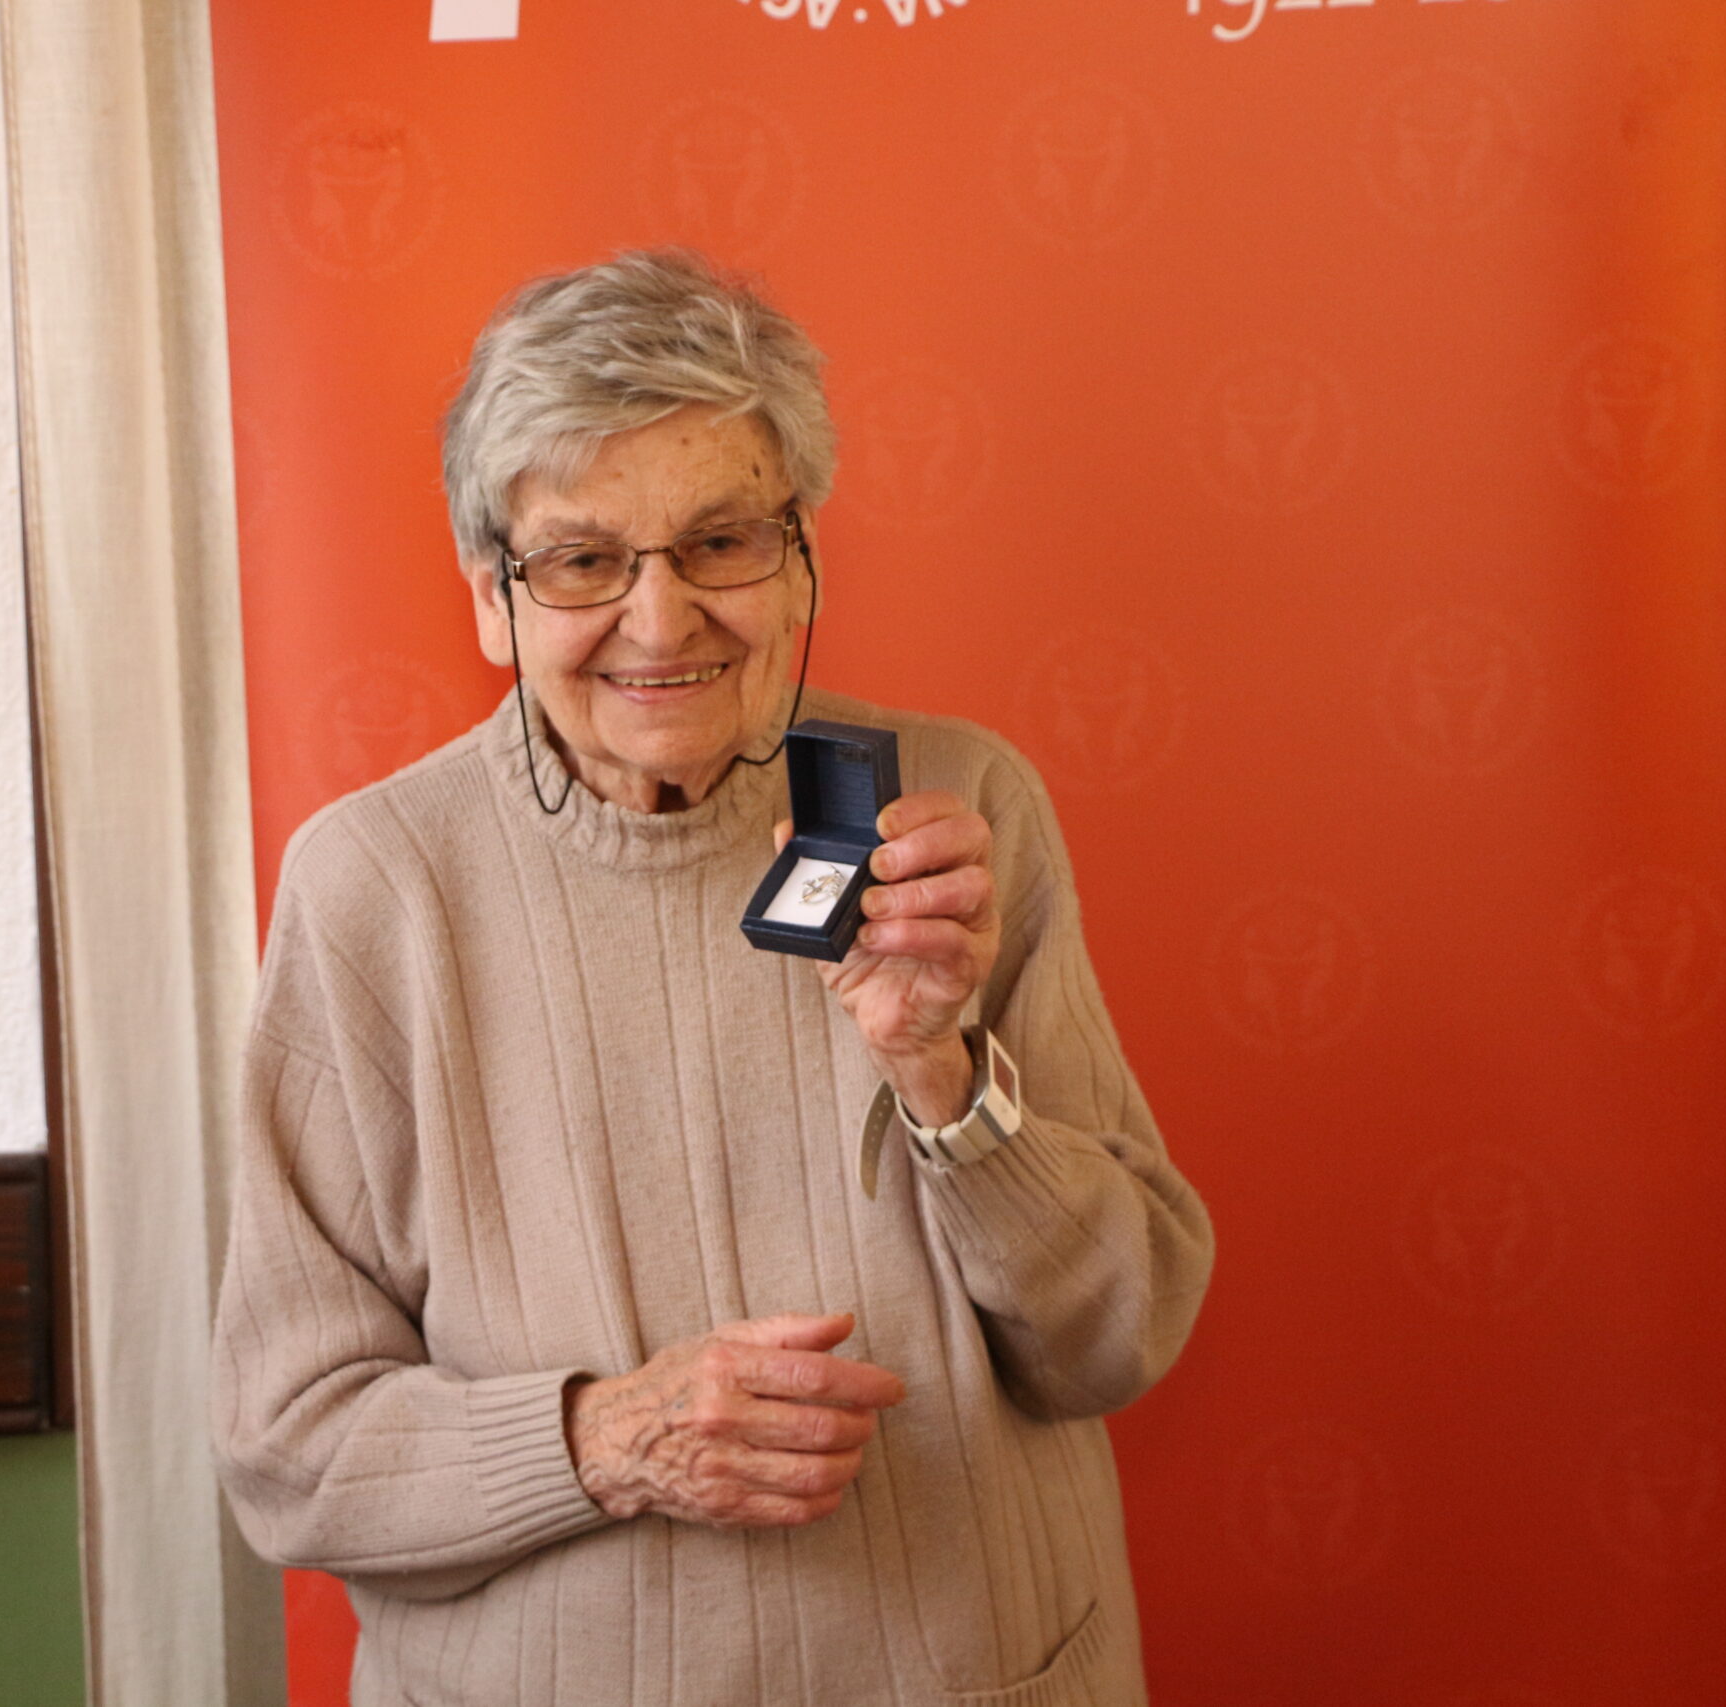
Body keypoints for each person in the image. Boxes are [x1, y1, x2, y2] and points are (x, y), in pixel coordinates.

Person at [212, 250, 1213, 1706]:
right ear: (492, 596)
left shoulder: (956, 809)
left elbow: (1118, 1339)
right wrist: (609, 1438)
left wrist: (944, 1083)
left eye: (720, 541)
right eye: (582, 560)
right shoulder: (374, 886)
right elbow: (288, 1452)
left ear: (798, 559)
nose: (662, 619)